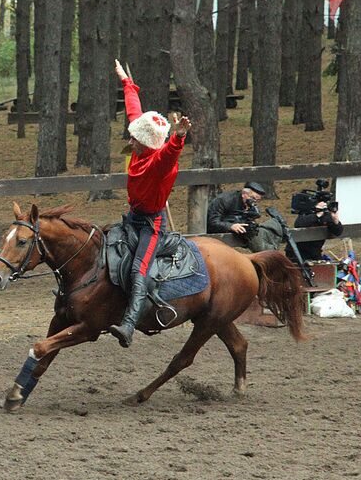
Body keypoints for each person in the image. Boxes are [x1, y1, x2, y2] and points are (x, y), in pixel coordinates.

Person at [108, 59, 191, 349]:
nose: (129, 139)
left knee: (138, 269)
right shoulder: (141, 144)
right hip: (133, 215)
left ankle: (129, 325)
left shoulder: (159, 163)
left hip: (151, 224)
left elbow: (169, 154)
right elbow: (134, 110)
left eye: (134, 137)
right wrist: (126, 82)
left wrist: (178, 137)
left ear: (145, 142)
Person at [207, 182, 284, 252]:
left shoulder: (250, 205)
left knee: (268, 230)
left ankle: (271, 252)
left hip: (243, 233)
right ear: (244, 194)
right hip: (217, 232)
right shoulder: (224, 200)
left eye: (257, 200)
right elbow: (212, 222)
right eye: (253, 198)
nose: (254, 202)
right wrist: (231, 226)